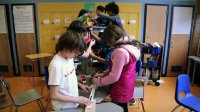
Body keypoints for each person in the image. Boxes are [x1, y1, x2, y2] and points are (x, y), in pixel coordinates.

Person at [92, 25, 141, 112]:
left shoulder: (120, 52)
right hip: (127, 84)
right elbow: (120, 67)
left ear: (112, 38)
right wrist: (105, 73)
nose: (107, 44)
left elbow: (114, 77)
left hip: (121, 87)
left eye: (107, 41)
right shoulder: (129, 47)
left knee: (118, 108)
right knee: (122, 107)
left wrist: (98, 82)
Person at [48, 31, 91, 110]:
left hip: (72, 103)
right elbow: (54, 95)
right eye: (75, 52)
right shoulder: (56, 65)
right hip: (63, 107)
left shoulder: (69, 58)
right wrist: (77, 99)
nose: (77, 55)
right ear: (66, 47)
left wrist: (80, 85)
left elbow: (68, 77)